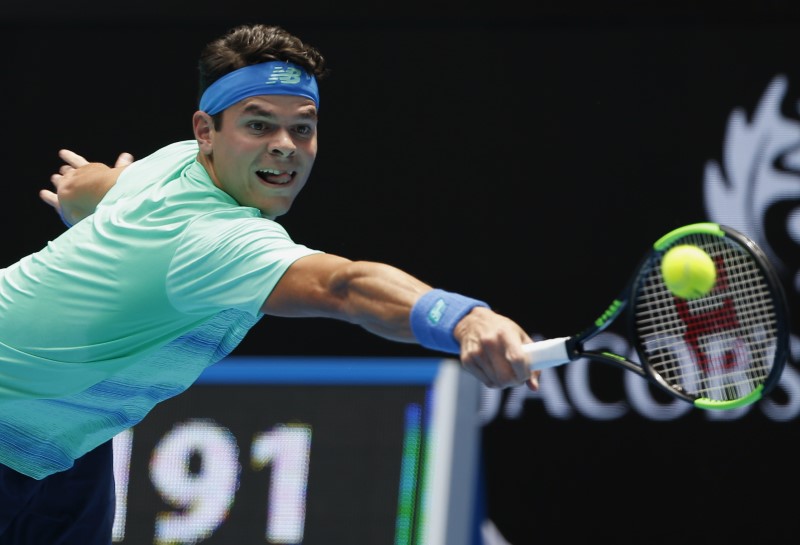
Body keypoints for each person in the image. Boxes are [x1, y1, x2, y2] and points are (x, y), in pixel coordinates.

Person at [0, 23, 538, 544]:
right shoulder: (214, 241)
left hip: (60, 442)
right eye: (258, 125)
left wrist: (79, 196)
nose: (285, 145)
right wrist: (465, 318)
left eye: (301, 127)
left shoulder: (172, 164)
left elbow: (99, 185)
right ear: (206, 132)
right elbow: (344, 288)